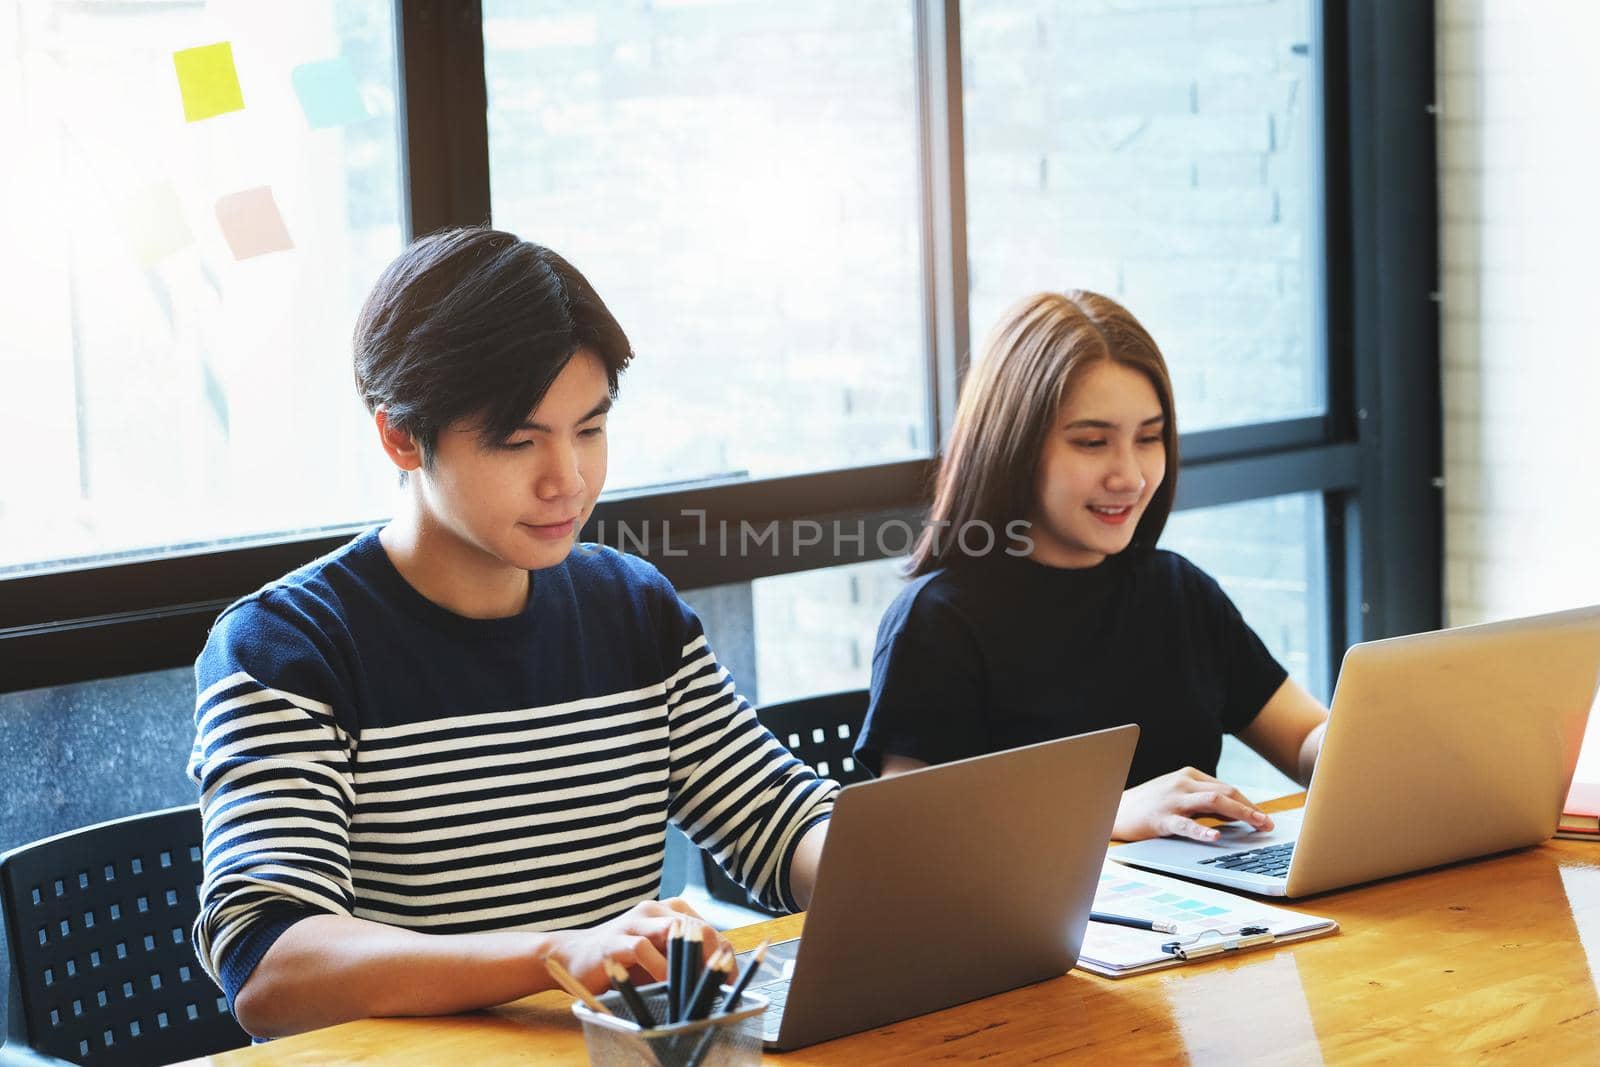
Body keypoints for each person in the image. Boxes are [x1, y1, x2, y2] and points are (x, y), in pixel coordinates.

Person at [187, 227, 835, 1038]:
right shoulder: (288, 648)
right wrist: (558, 953)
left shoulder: (632, 610)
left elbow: (780, 818)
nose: (568, 480)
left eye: (590, 431)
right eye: (519, 440)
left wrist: (882, 865)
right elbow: (273, 964)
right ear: (398, 435)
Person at [854, 290, 1329, 843]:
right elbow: (911, 842)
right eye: (1092, 442)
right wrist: (1111, 817)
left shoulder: (1178, 592)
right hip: (1046, 928)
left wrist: (1376, 739)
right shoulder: (937, 623)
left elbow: (1303, 740)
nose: (1129, 476)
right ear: (1016, 445)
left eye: (1149, 438)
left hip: (1206, 914)